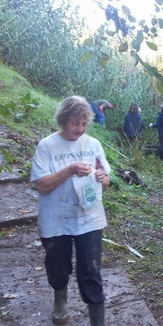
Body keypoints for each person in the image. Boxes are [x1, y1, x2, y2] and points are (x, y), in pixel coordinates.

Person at [30, 96, 111, 326]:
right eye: (75, 123)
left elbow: (106, 178)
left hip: (89, 217)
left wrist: (101, 177)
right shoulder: (47, 145)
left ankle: (97, 321)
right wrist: (70, 170)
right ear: (63, 120)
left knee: (91, 271)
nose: (80, 128)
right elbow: (42, 185)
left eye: (84, 124)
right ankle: (60, 300)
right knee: (57, 266)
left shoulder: (93, 144)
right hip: (56, 219)